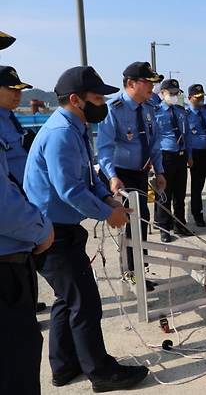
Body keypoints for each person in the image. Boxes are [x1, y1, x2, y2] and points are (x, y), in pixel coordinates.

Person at [24, 66, 149, 392]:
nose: (102, 104)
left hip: (64, 229)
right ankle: (102, 372)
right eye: (96, 98)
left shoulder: (75, 128)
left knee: (68, 300)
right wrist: (108, 215)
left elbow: (87, 180)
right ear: (77, 100)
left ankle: (65, 366)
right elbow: (68, 190)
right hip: (53, 234)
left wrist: (107, 198)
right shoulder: (61, 134)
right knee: (85, 303)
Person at [0, 64, 55, 395]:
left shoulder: (9, 119)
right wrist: (41, 229)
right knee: (16, 356)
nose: (19, 94)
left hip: (17, 242)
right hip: (10, 250)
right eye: (12, 88)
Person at [96, 61, 165, 290]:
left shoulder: (148, 109)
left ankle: (138, 271)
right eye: (147, 83)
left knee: (141, 221)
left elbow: (154, 143)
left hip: (141, 173)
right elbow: (104, 147)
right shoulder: (113, 109)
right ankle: (130, 273)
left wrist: (160, 170)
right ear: (131, 83)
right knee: (131, 222)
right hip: (121, 177)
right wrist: (112, 176)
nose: (151, 88)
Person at [154, 79, 193, 242]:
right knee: (164, 194)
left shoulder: (181, 111)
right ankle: (164, 226)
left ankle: (180, 224)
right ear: (162, 94)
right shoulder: (155, 112)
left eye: (176, 93)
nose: (174, 96)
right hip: (165, 156)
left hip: (181, 156)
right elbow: (152, 139)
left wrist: (189, 155)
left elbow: (188, 135)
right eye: (171, 93)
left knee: (180, 193)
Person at [186, 83, 206, 227]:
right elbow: (185, 138)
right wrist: (189, 156)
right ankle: (197, 215)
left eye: (202, 96)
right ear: (190, 98)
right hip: (197, 154)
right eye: (197, 97)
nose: (201, 99)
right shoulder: (186, 115)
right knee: (197, 187)